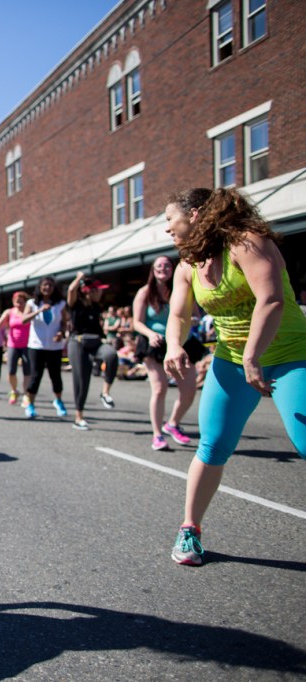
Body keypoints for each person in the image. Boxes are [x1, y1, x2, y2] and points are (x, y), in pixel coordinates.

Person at [162, 187, 306, 566]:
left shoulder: (247, 242)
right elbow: (178, 314)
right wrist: (174, 346)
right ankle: (189, 529)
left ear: (194, 215)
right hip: (233, 359)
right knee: (213, 446)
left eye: (170, 218)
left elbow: (271, 299)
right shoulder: (187, 265)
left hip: (291, 353)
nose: (167, 228)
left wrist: (253, 355)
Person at [133, 256, 201, 451]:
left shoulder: (183, 288)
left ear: (173, 269)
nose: (163, 268)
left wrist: (192, 320)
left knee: (189, 390)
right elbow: (136, 322)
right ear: (153, 270)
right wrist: (150, 334)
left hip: (181, 343)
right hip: (155, 344)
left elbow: (196, 315)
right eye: (159, 265)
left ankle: (172, 423)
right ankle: (157, 434)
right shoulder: (145, 292)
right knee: (159, 388)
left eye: (167, 265)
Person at [65, 272, 120, 430]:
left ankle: (105, 393)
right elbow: (71, 290)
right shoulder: (76, 304)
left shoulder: (96, 306)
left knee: (111, 355)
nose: (102, 292)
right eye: (99, 289)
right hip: (78, 343)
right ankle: (79, 416)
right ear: (89, 291)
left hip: (95, 343)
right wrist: (79, 278)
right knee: (82, 380)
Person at [20, 277, 69, 420]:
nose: (47, 288)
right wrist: (39, 310)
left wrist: (61, 333)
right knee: (36, 375)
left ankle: (58, 401)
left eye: (50, 285)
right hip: (36, 345)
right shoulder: (32, 303)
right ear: (40, 287)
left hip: (54, 346)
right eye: (45, 285)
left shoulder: (60, 304)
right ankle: (30, 404)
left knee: (56, 375)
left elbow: (65, 322)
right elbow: (24, 320)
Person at [0, 291, 31, 405]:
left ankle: (26, 394)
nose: (19, 304)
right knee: (11, 371)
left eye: (22, 302)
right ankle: (14, 390)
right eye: (17, 301)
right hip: (13, 345)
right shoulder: (9, 312)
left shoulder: (29, 312)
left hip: (27, 345)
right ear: (13, 302)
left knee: (27, 372)